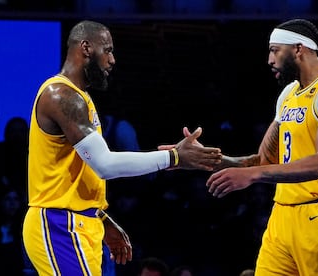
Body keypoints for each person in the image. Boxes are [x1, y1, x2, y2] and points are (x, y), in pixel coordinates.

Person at [22, 20, 222, 276]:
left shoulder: (80, 98)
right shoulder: (60, 95)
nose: (112, 59)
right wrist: (173, 157)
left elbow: (76, 173)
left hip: (81, 222)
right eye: (107, 49)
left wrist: (101, 218)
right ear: (85, 48)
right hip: (59, 224)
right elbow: (105, 165)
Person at [184, 18, 318, 275]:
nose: (269, 60)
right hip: (282, 215)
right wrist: (211, 159)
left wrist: (252, 175)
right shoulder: (288, 94)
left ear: (298, 49)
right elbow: (263, 161)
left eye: (275, 50)